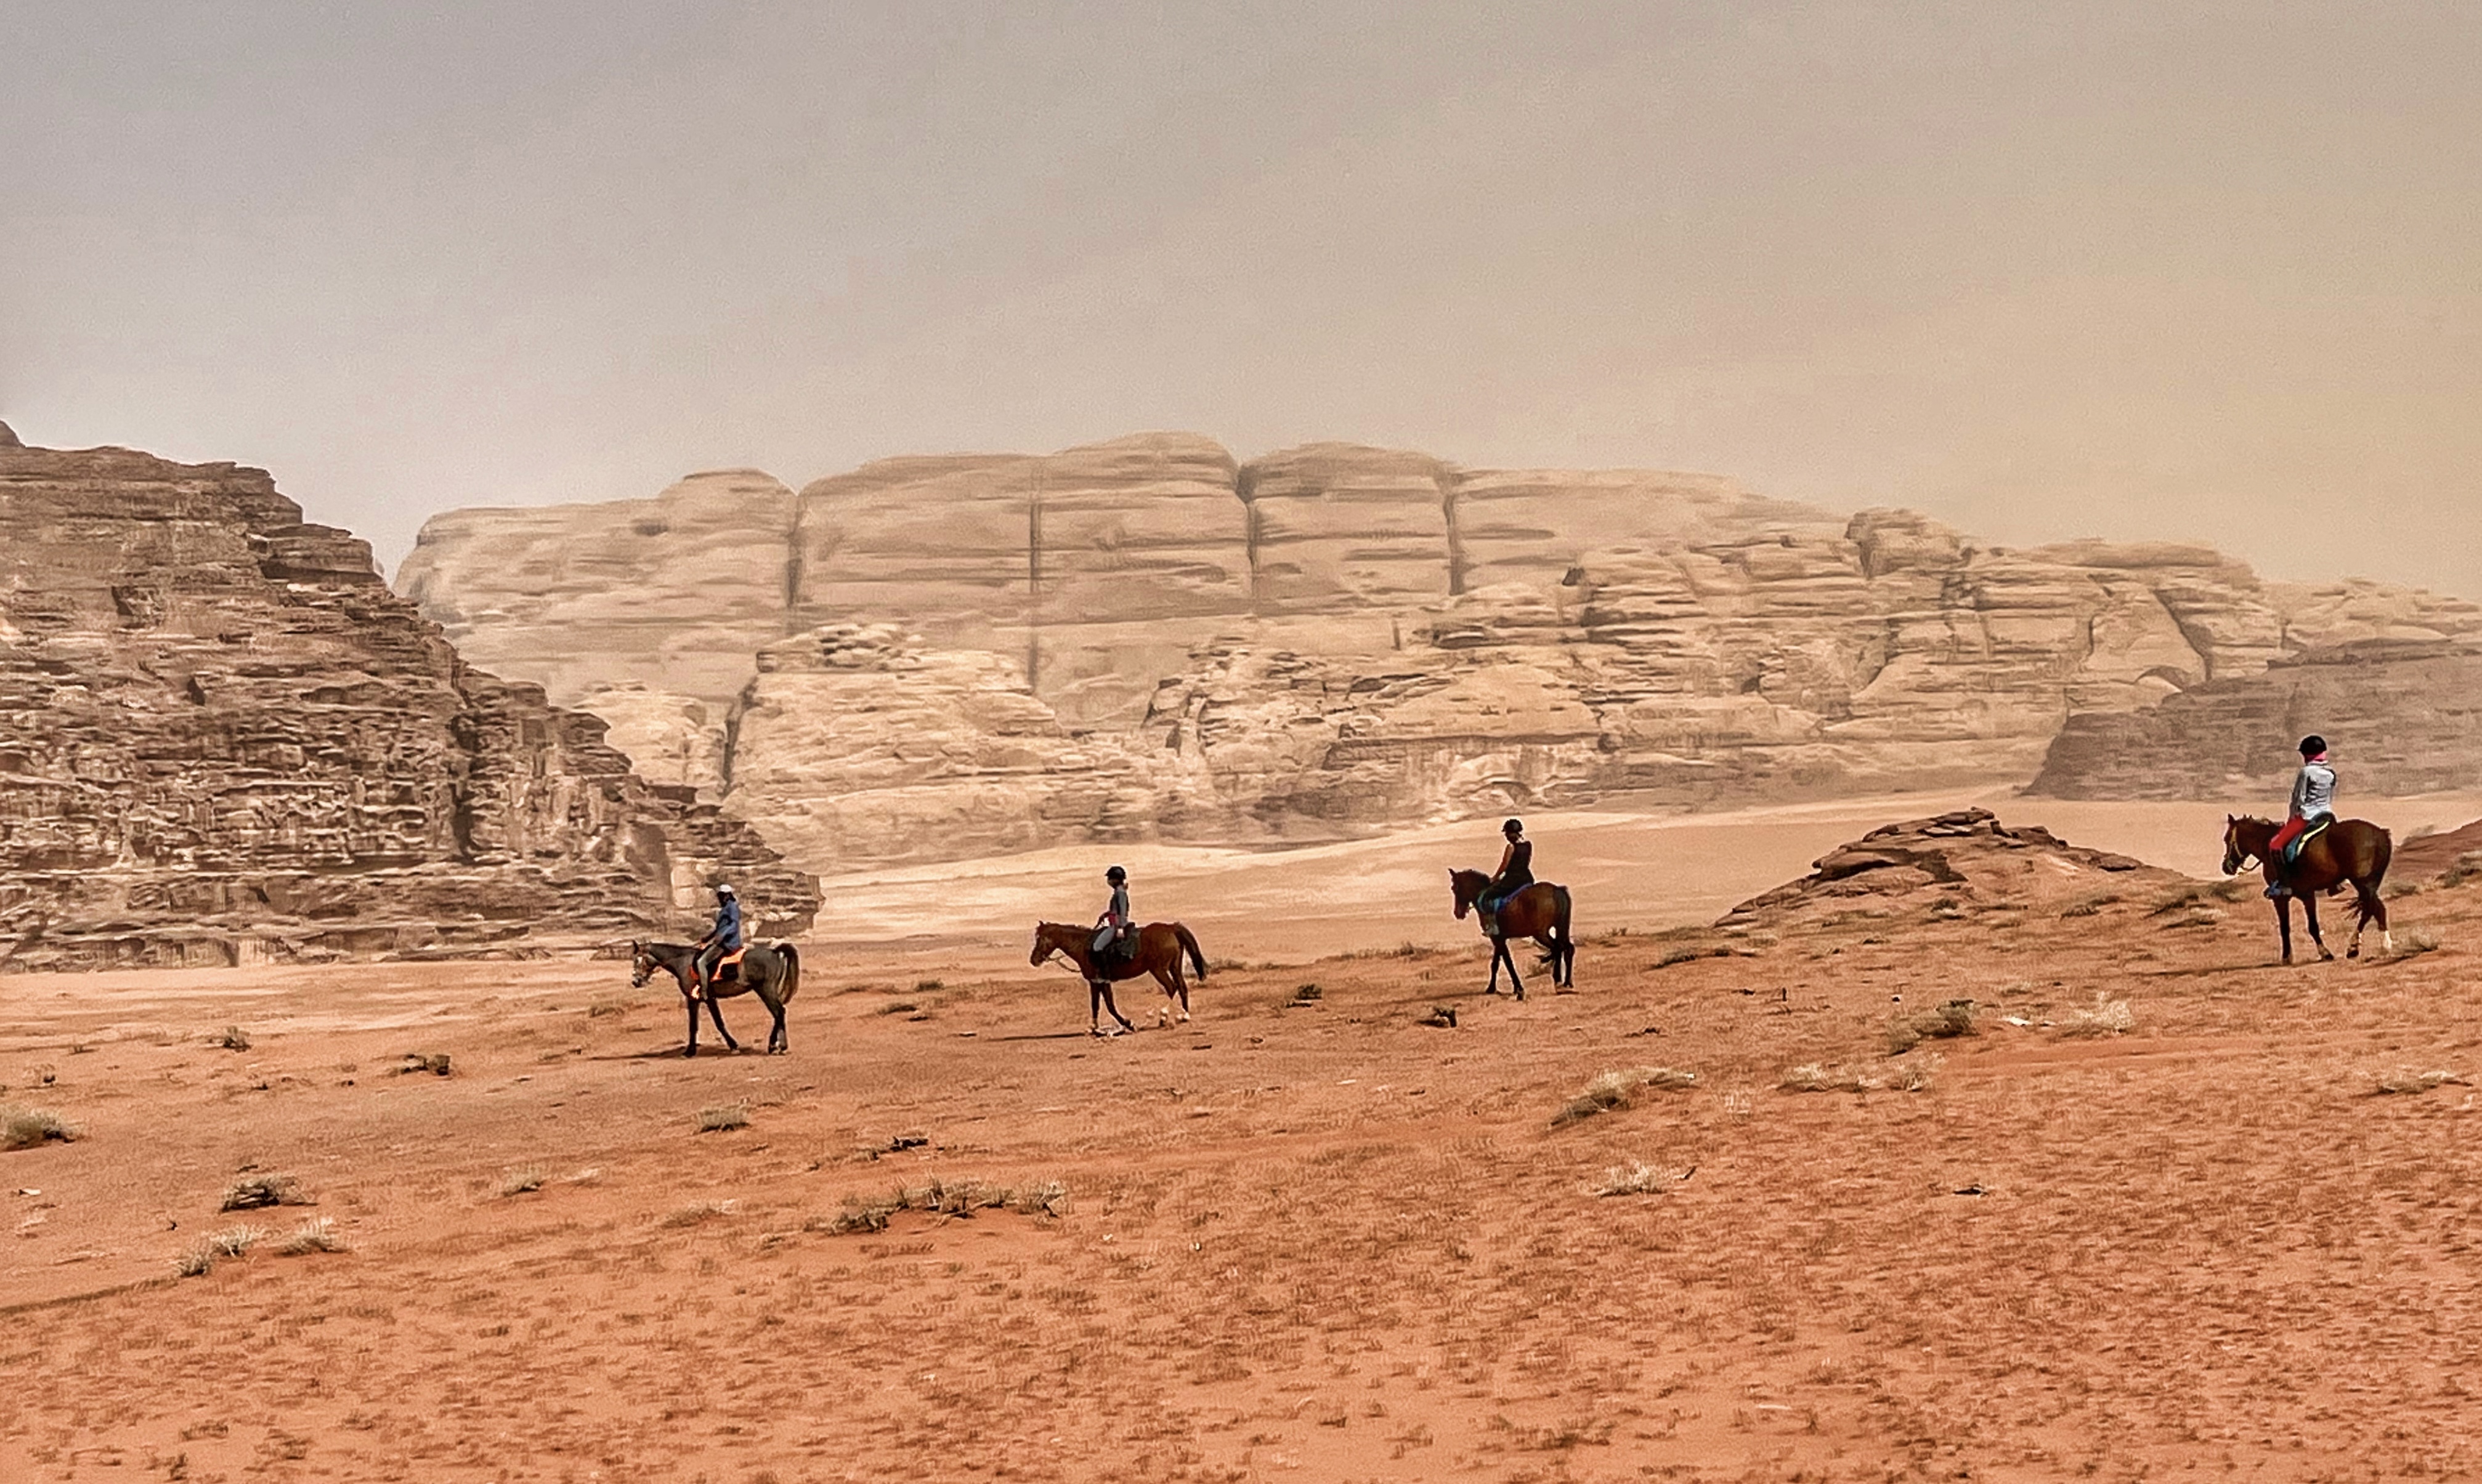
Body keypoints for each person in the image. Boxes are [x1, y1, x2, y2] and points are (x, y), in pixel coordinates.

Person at [2265, 736, 2338, 900]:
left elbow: (2299, 798)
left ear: (2307, 754)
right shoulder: (2331, 773)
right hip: (2327, 815)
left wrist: (2292, 818)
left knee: (2275, 845)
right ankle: (2335, 883)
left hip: (2308, 816)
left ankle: (2284, 884)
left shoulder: (2306, 772)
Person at [1478, 818, 1535, 936]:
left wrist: (1494, 878)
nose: (1506, 836)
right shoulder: (1528, 845)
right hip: (1527, 878)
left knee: (1487, 896)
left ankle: (1493, 926)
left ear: (1511, 833)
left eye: (1507, 833)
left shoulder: (1511, 847)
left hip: (1512, 881)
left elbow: (1505, 865)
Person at [692, 883, 744, 999]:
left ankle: (704, 992)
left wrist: (722, 935)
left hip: (728, 944)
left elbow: (734, 925)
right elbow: (719, 929)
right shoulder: (726, 908)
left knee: (701, 962)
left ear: (726, 896)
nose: (718, 898)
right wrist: (707, 938)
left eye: (720, 896)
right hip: (723, 941)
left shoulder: (732, 907)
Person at [1090, 866, 1133, 967]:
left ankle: (1104, 974)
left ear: (1115, 880)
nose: (1109, 881)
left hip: (1116, 926)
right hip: (1115, 923)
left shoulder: (1120, 893)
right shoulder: (1119, 892)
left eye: (1110, 878)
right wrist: (1106, 914)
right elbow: (1116, 910)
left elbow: (1123, 911)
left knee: (1097, 946)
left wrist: (1121, 928)